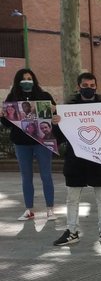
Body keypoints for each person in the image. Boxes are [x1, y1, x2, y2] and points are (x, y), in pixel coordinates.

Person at [51, 72, 101, 246]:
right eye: (85, 86)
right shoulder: (68, 108)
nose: (89, 89)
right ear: (78, 87)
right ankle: (71, 230)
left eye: (92, 86)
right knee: (72, 197)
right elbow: (60, 138)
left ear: (96, 86)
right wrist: (56, 124)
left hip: (100, 160)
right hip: (76, 160)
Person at [2, 68, 56, 221]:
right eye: (24, 78)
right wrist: (3, 115)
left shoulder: (44, 96)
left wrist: (55, 109)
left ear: (34, 80)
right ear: (18, 81)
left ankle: (50, 209)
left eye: (30, 78)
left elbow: (55, 118)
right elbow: (7, 124)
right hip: (21, 143)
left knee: (46, 175)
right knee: (26, 177)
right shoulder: (12, 97)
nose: (27, 81)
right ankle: (28, 209)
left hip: (42, 142)